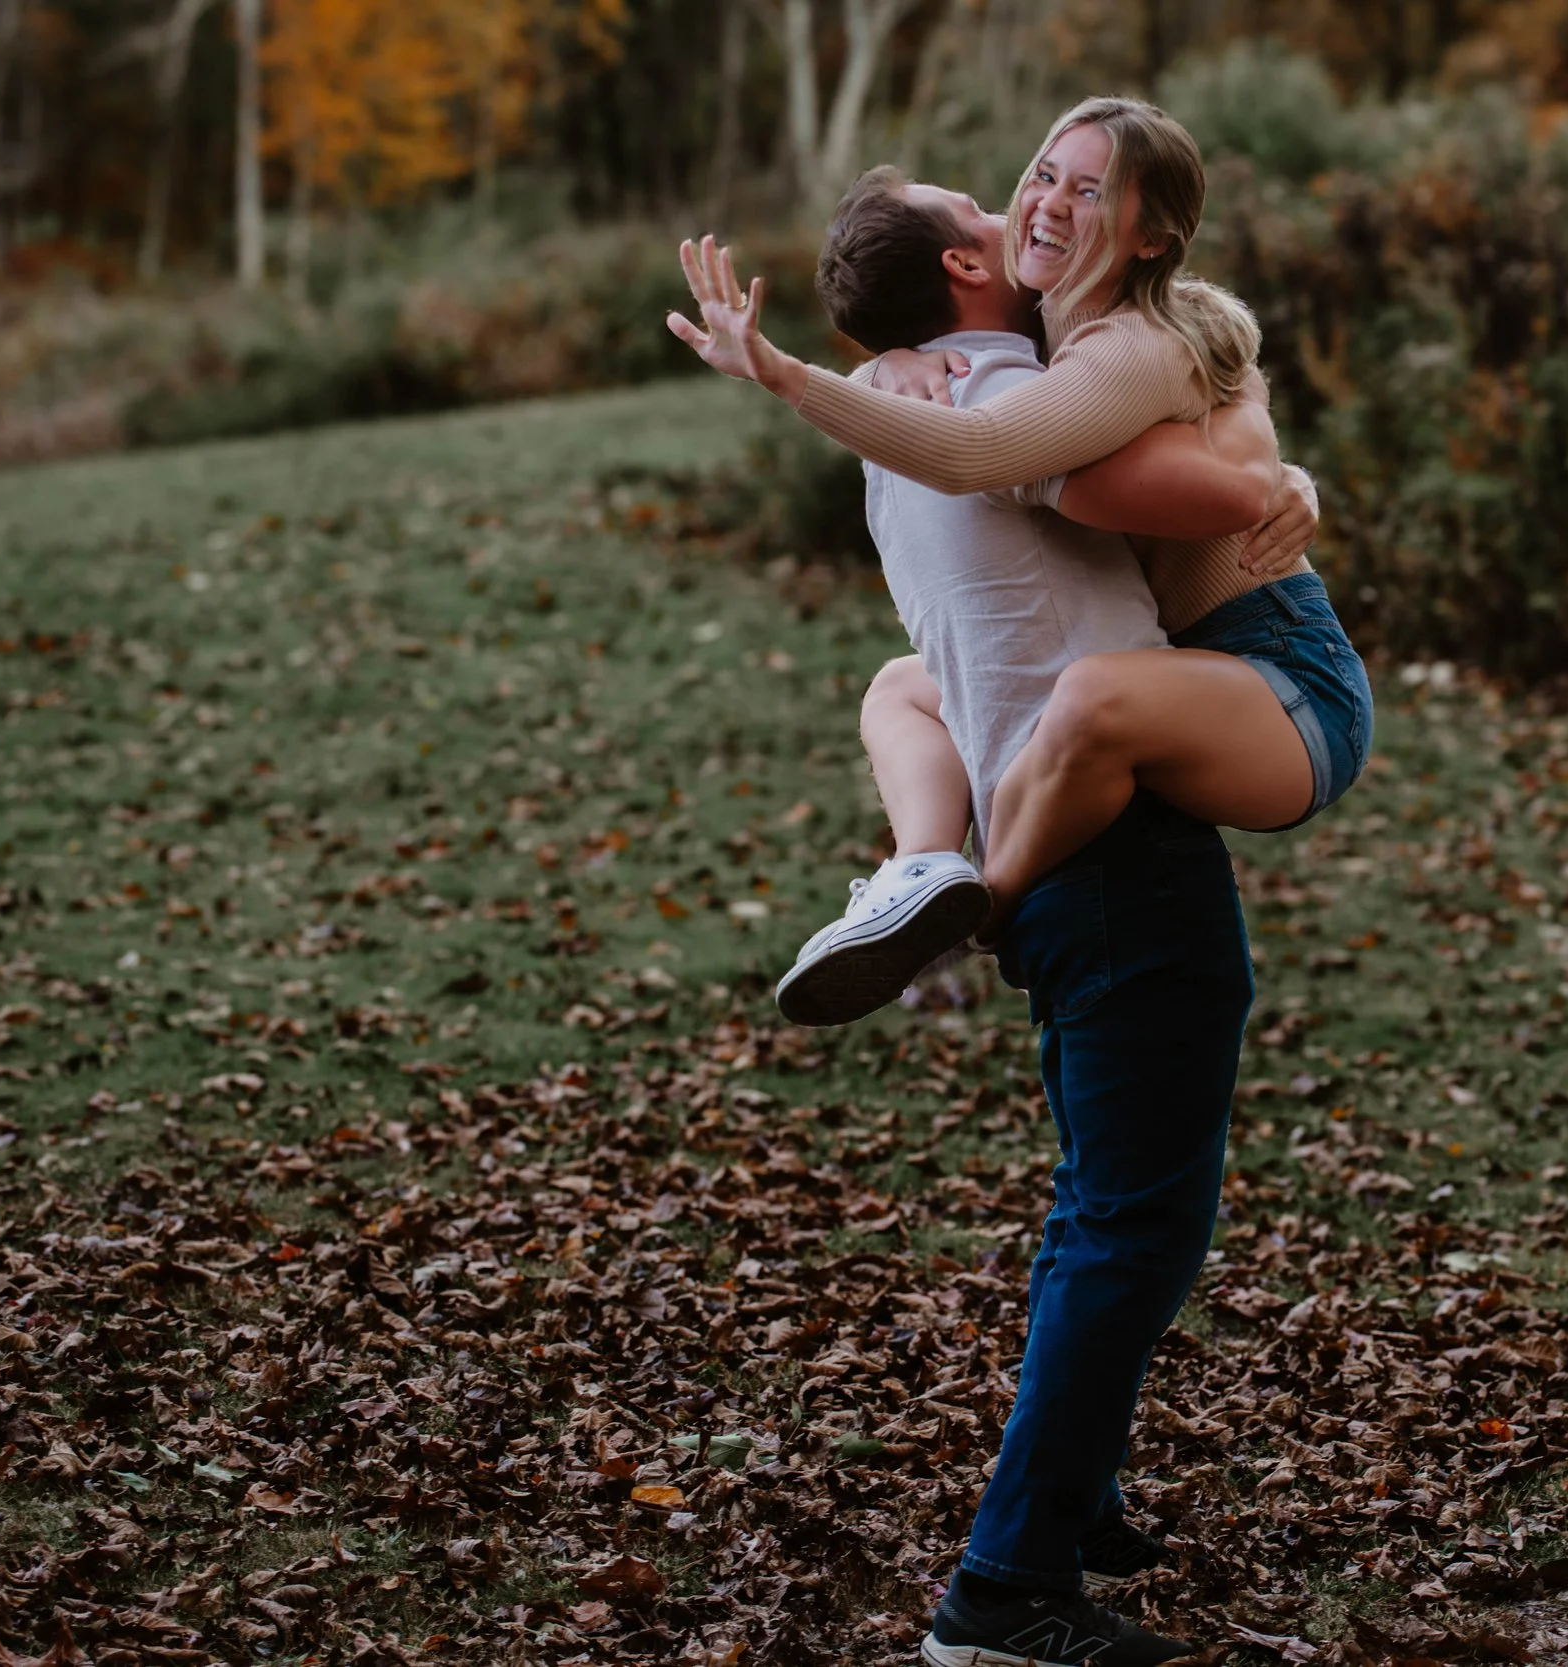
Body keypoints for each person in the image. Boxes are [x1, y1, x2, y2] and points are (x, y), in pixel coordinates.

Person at [671, 164, 1286, 1666]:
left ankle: (1073, 1498)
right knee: (1139, 1222)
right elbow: (1208, 458)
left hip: (1040, 826)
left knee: (1099, 1203)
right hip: (1120, 845)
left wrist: (825, 371)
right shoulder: (1012, 396)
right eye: (996, 211)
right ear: (966, 266)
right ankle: (1004, 1597)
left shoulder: (912, 413)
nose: (1034, 221)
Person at [669, 95, 1373, 1028]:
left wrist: (794, 376)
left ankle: (981, 906)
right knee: (900, 689)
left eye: (1092, 190)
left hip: (1282, 677)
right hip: (1197, 660)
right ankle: (917, 872)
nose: (1043, 202)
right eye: (1044, 174)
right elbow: (982, 367)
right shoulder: (1042, 332)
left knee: (1090, 695)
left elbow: (986, 452)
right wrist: (895, 361)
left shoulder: (1128, 344)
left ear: (1151, 236)